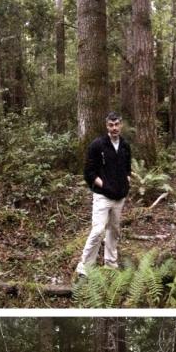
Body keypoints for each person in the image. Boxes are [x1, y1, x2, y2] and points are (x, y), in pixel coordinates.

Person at [76, 112, 132, 277]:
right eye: (111, 125)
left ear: (120, 125)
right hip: (102, 196)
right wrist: (105, 185)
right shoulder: (97, 145)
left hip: (119, 197)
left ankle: (111, 264)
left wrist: (127, 181)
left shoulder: (125, 145)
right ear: (106, 126)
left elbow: (128, 167)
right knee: (98, 230)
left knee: (114, 231)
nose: (114, 128)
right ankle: (84, 269)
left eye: (116, 125)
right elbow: (89, 172)